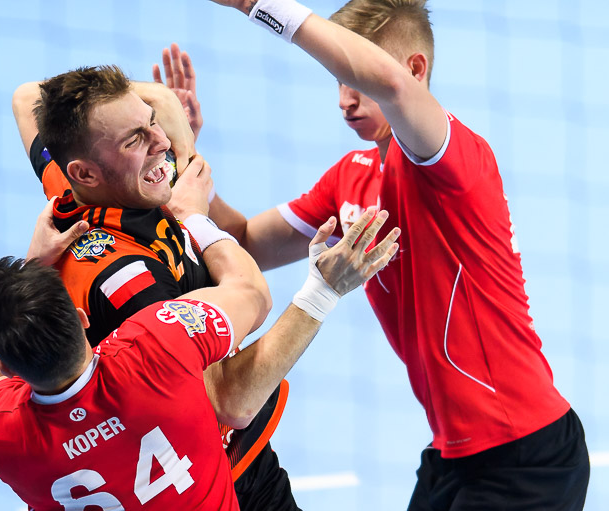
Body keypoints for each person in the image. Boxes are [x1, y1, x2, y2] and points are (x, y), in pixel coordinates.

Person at [184, 0, 589, 509]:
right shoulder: (350, 176)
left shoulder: (455, 160)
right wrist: (183, 155)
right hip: (450, 455)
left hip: (526, 453)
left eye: (355, 79)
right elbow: (244, 241)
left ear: (415, 69)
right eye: (338, 81)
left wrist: (256, 5)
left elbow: (393, 88)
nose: (344, 100)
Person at [0, 200, 400, 510]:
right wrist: (194, 217)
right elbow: (251, 294)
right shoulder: (154, 344)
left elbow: (0, 380)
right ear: (83, 319)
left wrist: (35, 263)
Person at [11, 65, 301, 510]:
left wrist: (163, 111)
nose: (160, 142)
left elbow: (26, 96)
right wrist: (194, 219)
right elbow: (226, 400)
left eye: (152, 125)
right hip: (215, 482)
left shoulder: (72, 188)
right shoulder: (129, 280)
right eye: (134, 141)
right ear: (86, 173)